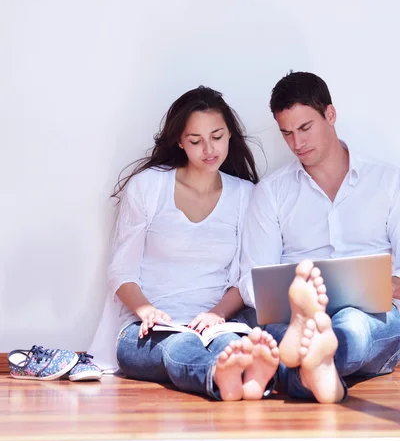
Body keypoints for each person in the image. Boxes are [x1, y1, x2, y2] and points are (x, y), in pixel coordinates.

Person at [89, 85, 281, 401]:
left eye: (217, 136)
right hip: (147, 329)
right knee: (181, 345)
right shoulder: (148, 187)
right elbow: (120, 272)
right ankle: (219, 376)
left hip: (217, 323)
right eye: (195, 140)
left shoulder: (245, 195)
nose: (209, 148)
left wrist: (217, 314)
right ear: (180, 141)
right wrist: (146, 310)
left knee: (229, 345)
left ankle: (245, 380)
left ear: (230, 135)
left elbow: (246, 276)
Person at [239, 71, 400, 403]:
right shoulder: (271, 193)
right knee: (283, 338)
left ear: (330, 114)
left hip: (370, 313)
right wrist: (292, 299)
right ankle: (323, 368)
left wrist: (392, 283)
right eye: (287, 133)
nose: (297, 143)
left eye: (305, 128)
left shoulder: (388, 182)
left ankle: (320, 360)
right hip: (293, 315)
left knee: (352, 327)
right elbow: (251, 278)